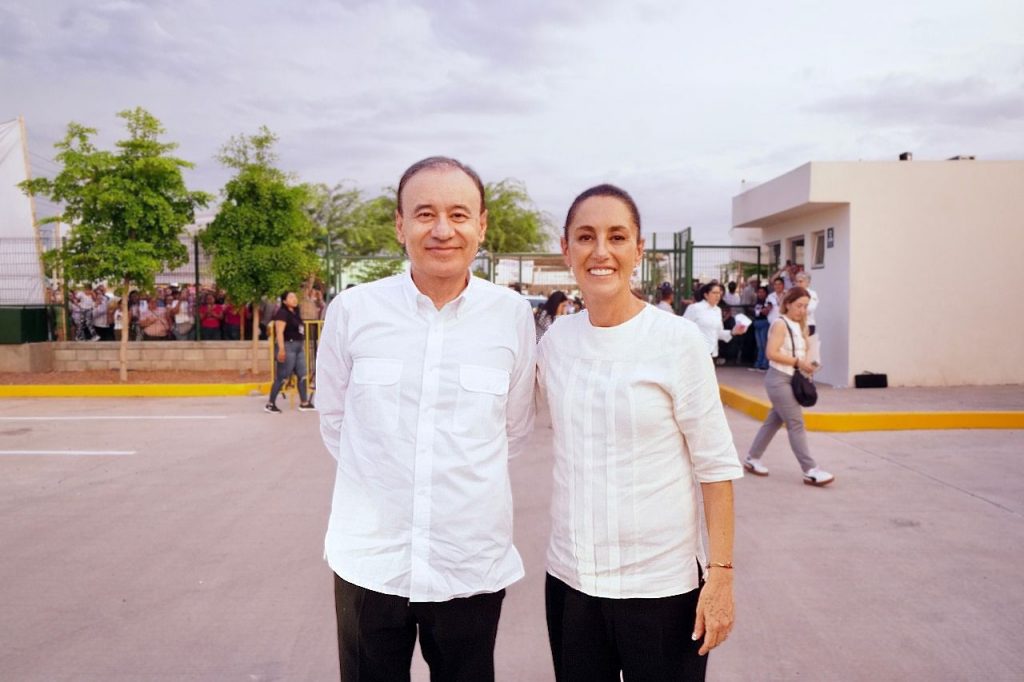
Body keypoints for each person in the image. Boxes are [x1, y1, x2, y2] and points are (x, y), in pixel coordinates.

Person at [316, 156, 536, 682]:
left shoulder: (510, 315)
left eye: (458, 215)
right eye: (424, 214)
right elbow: (335, 420)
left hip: (468, 562)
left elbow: (514, 428)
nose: (442, 230)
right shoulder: (353, 311)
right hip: (371, 558)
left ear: (481, 225)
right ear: (400, 225)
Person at [539, 184, 741, 682]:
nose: (600, 251)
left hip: (661, 589)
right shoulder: (556, 342)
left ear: (638, 249)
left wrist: (720, 576)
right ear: (566, 249)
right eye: (585, 237)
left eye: (616, 236)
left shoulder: (677, 341)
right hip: (572, 581)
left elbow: (715, 467)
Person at [743, 286, 835, 486]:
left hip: (792, 378)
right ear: (787, 304)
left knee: (774, 421)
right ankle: (810, 470)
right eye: (799, 305)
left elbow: (803, 352)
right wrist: (798, 362)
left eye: (805, 306)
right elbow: (771, 353)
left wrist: (808, 365)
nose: (802, 310)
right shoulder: (780, 324)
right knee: (796, 423)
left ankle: (752, 458)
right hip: (778, 379)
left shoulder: (800, 325)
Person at [264, 291, 314, 413]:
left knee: (302, 374)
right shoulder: (282, 313)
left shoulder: (295, 313)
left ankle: (304, 402)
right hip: (288, 346)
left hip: (298, 346)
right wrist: (281, 349)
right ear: (284, 301)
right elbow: (279, 332)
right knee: (282, 376)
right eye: (291, 297)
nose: (294, 299)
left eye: (295, 297)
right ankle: (270, 404)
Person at [683, 281, 747, 361]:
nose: (717, 296)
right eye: (714, 293)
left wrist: (733, 332)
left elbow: (719, 332)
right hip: (696, 354)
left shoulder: (718, 310)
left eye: (719, 293)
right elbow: (683, 330)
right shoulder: (694, 308)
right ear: (706, 295)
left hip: (713, 354)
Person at [752, 286, 772, 370]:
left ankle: (765, 363)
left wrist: (763, 310)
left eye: (762, 292)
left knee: (764, 344)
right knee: (759, 345)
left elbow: (767, 311)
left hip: (764, 322)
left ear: (766, 293)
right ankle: (758, 363)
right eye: (759, 292)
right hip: (757, 323)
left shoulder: (767, 302)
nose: (760, 294)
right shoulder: (757, 302)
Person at [794, 272, 819, 336]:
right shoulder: (793, 293)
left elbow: (810, 309)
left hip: (808, 324)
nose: (798, 284)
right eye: (796, 281)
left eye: (800, 281)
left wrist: (796, 309)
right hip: (794, 324)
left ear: (807, 283)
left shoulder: (812, 294)